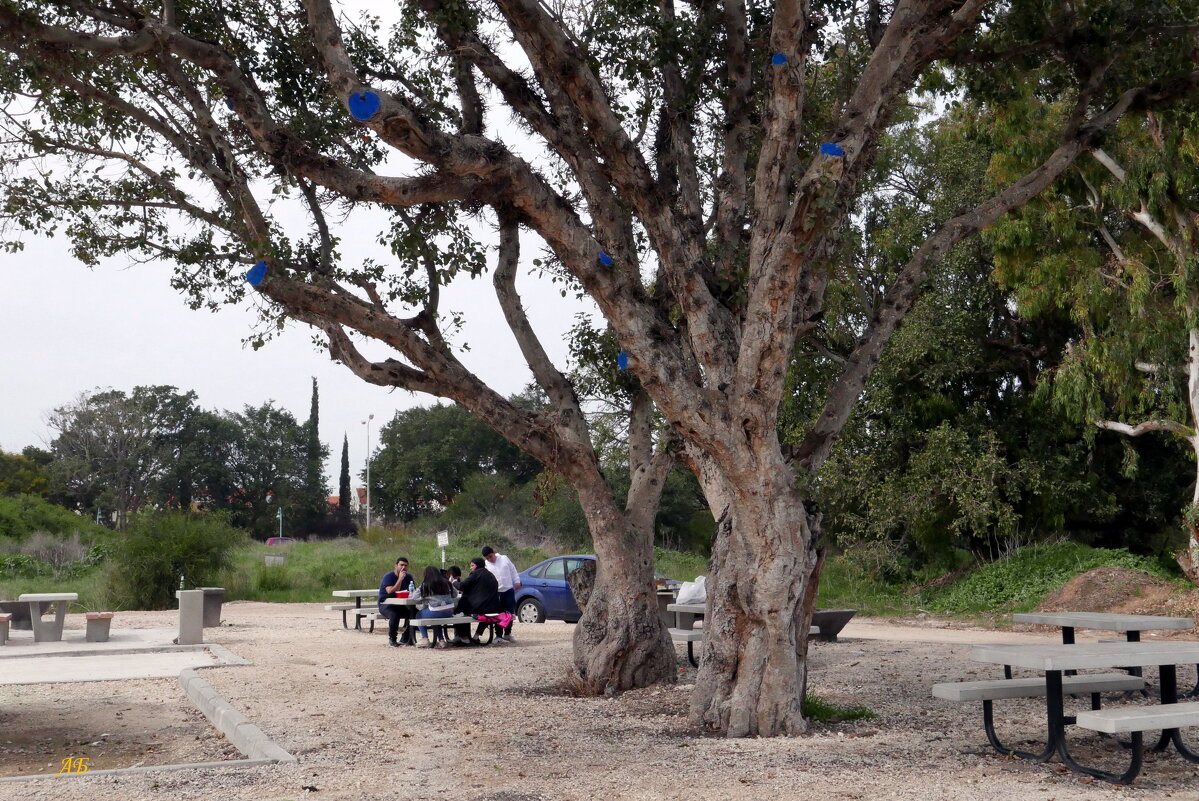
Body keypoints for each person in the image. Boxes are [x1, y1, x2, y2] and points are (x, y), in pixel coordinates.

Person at [452, 557, 499, 646]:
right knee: (478, 612)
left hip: (479, 607)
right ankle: (476, 636)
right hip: (493, 608)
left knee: (459, 611)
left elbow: (462, 586)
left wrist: (454, 582)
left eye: (472, 565)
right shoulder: (491, 575)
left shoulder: (476, 574)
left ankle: (464, 638)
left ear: (477, 566)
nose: (471, 568)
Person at [482, 546, 520, 641]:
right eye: (487, 558)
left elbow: (513, 569)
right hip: (496, 592)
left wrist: (517, 581)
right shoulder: (486, 564)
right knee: (498, 613)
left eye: (491, 556)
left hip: (508, 589)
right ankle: (498, 635)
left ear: (494, 553)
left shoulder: (504, 558)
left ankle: (507, 633)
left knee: (509, 613)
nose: (490, 559)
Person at [377, 556, 416, 647]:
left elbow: (413, 591)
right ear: (396, 566)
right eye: (401, 565)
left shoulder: (409, 577)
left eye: (405, 565)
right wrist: (400, 579)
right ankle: (392, 639)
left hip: (401, 604)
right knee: (395, 614)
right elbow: (390, 591)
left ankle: (406, 637)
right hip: (386, 604)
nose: (403, 567)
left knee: (417, 614)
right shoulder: (389, 576)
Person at [415, 566, 456, 648]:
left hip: (435, 611)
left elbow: (414, 597)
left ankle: (425, 638)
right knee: (436, 620)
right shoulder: (447, 583)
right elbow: (455, 594)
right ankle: (441, 640)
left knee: (419, 615)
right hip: (449, 611)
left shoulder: (426, 584)